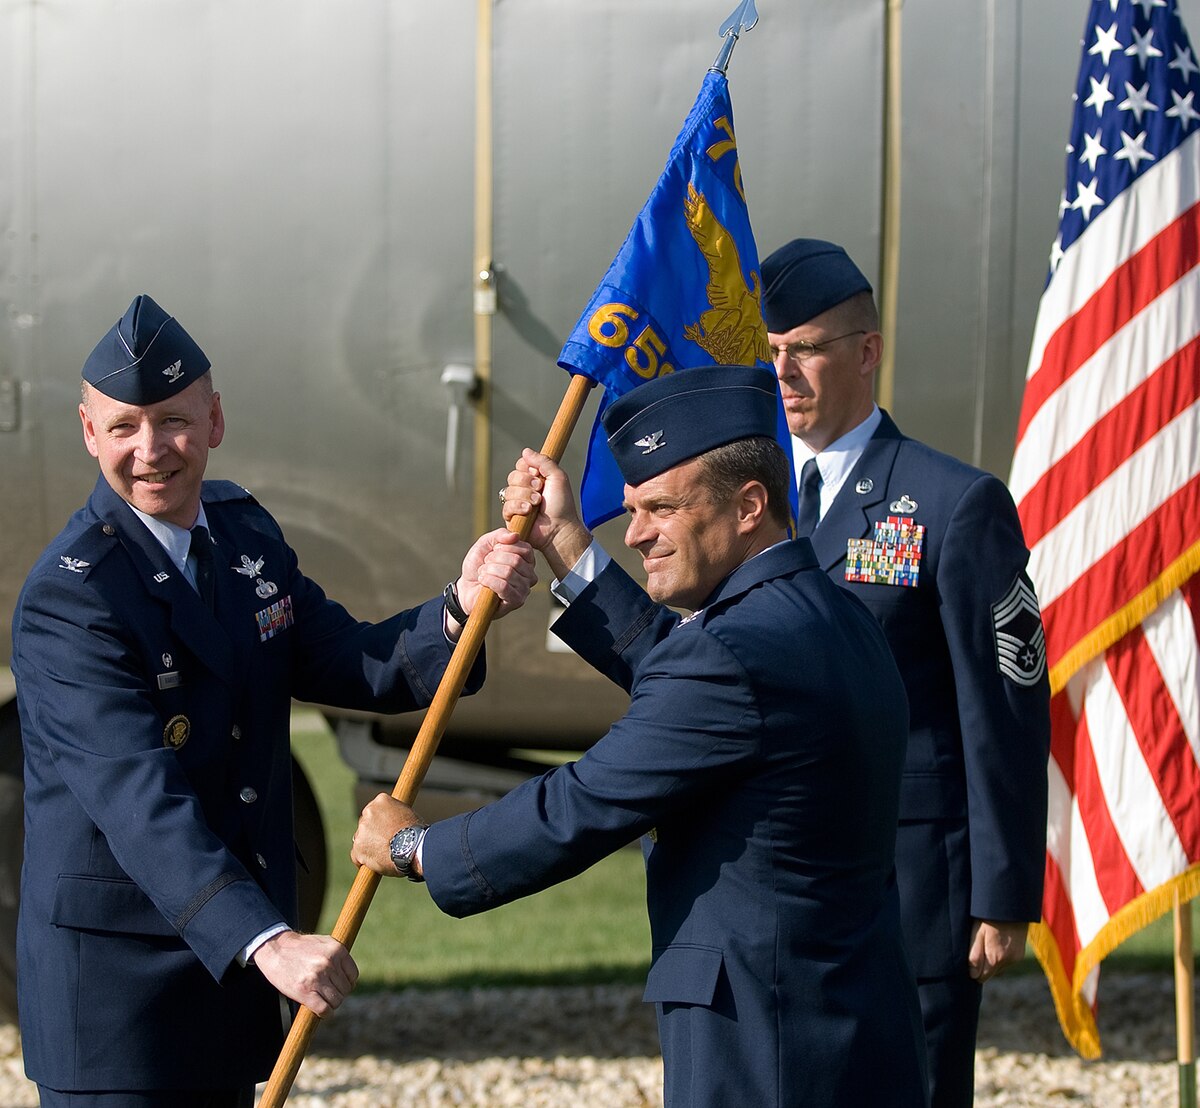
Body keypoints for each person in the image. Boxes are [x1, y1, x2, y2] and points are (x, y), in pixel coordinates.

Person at [351, 364, 930, 1107]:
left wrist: (416, 848)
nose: (636, 534)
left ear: (749, 505)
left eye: (661, 508)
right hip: (856, 1032)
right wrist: (567, 544)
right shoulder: (835, 613)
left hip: (764, 1048)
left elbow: (581, 803)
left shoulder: (733, 655)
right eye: (631, 509)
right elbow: (693, 682)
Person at [11, 293, 536, 1107]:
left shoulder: (241, 533)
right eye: (124, 427)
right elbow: (138, 801)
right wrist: (268, 941)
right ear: (89, 433)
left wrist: (459, 609)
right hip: (121, 1005)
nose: (151, 450)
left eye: (173, 421)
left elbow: (347, 660)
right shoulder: (73, 598)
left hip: (229, 983)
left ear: (214, 420)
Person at [759, 238, 1051, 1108]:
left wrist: (1002, 891)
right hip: (780, 887)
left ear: (867, 352)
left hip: (911, 890)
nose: (785, 373)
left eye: (806, 349)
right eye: (773, 352)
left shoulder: (953, 504)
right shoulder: (752, 504)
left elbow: (1003, 709)